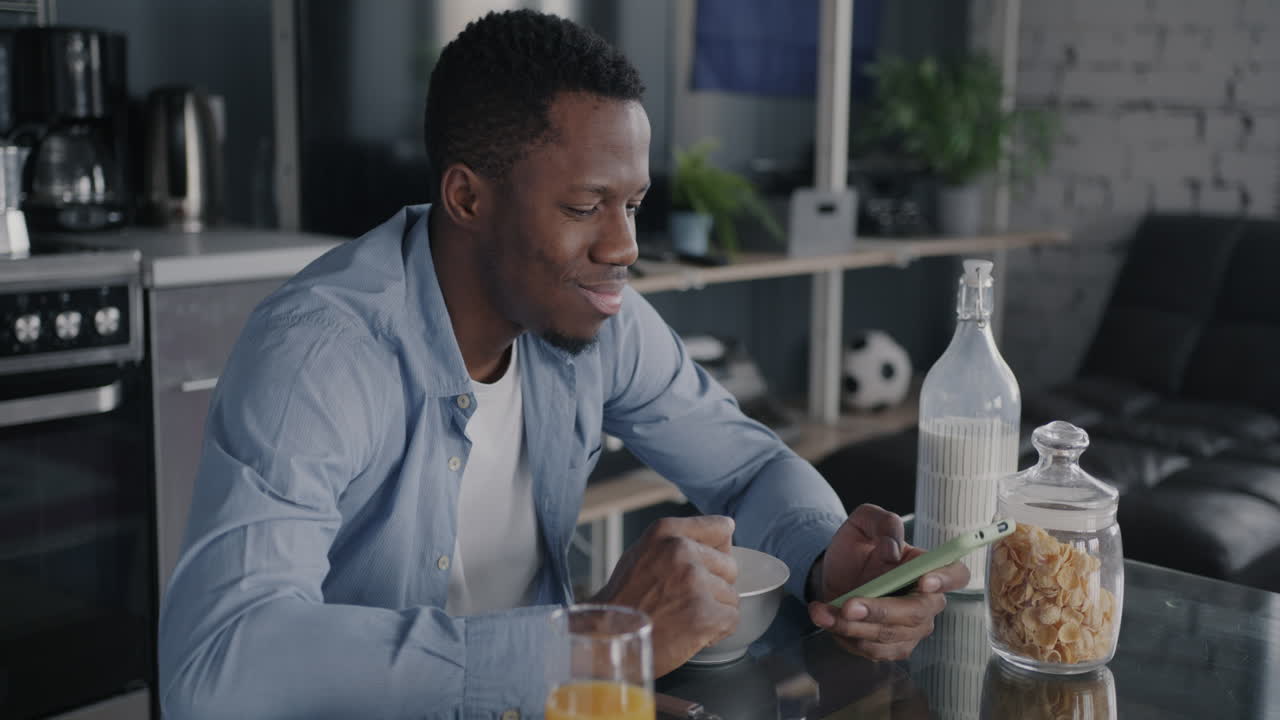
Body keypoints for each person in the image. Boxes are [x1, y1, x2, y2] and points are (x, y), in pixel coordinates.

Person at [158, 9, 968, 719]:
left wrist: (829, 567)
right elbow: (219, 664)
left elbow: (749, 465)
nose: (624, 247)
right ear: (468, 198)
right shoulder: (320, 355)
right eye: (585, 208)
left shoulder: (594, 314)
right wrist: (584, 646)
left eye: (633, 205)